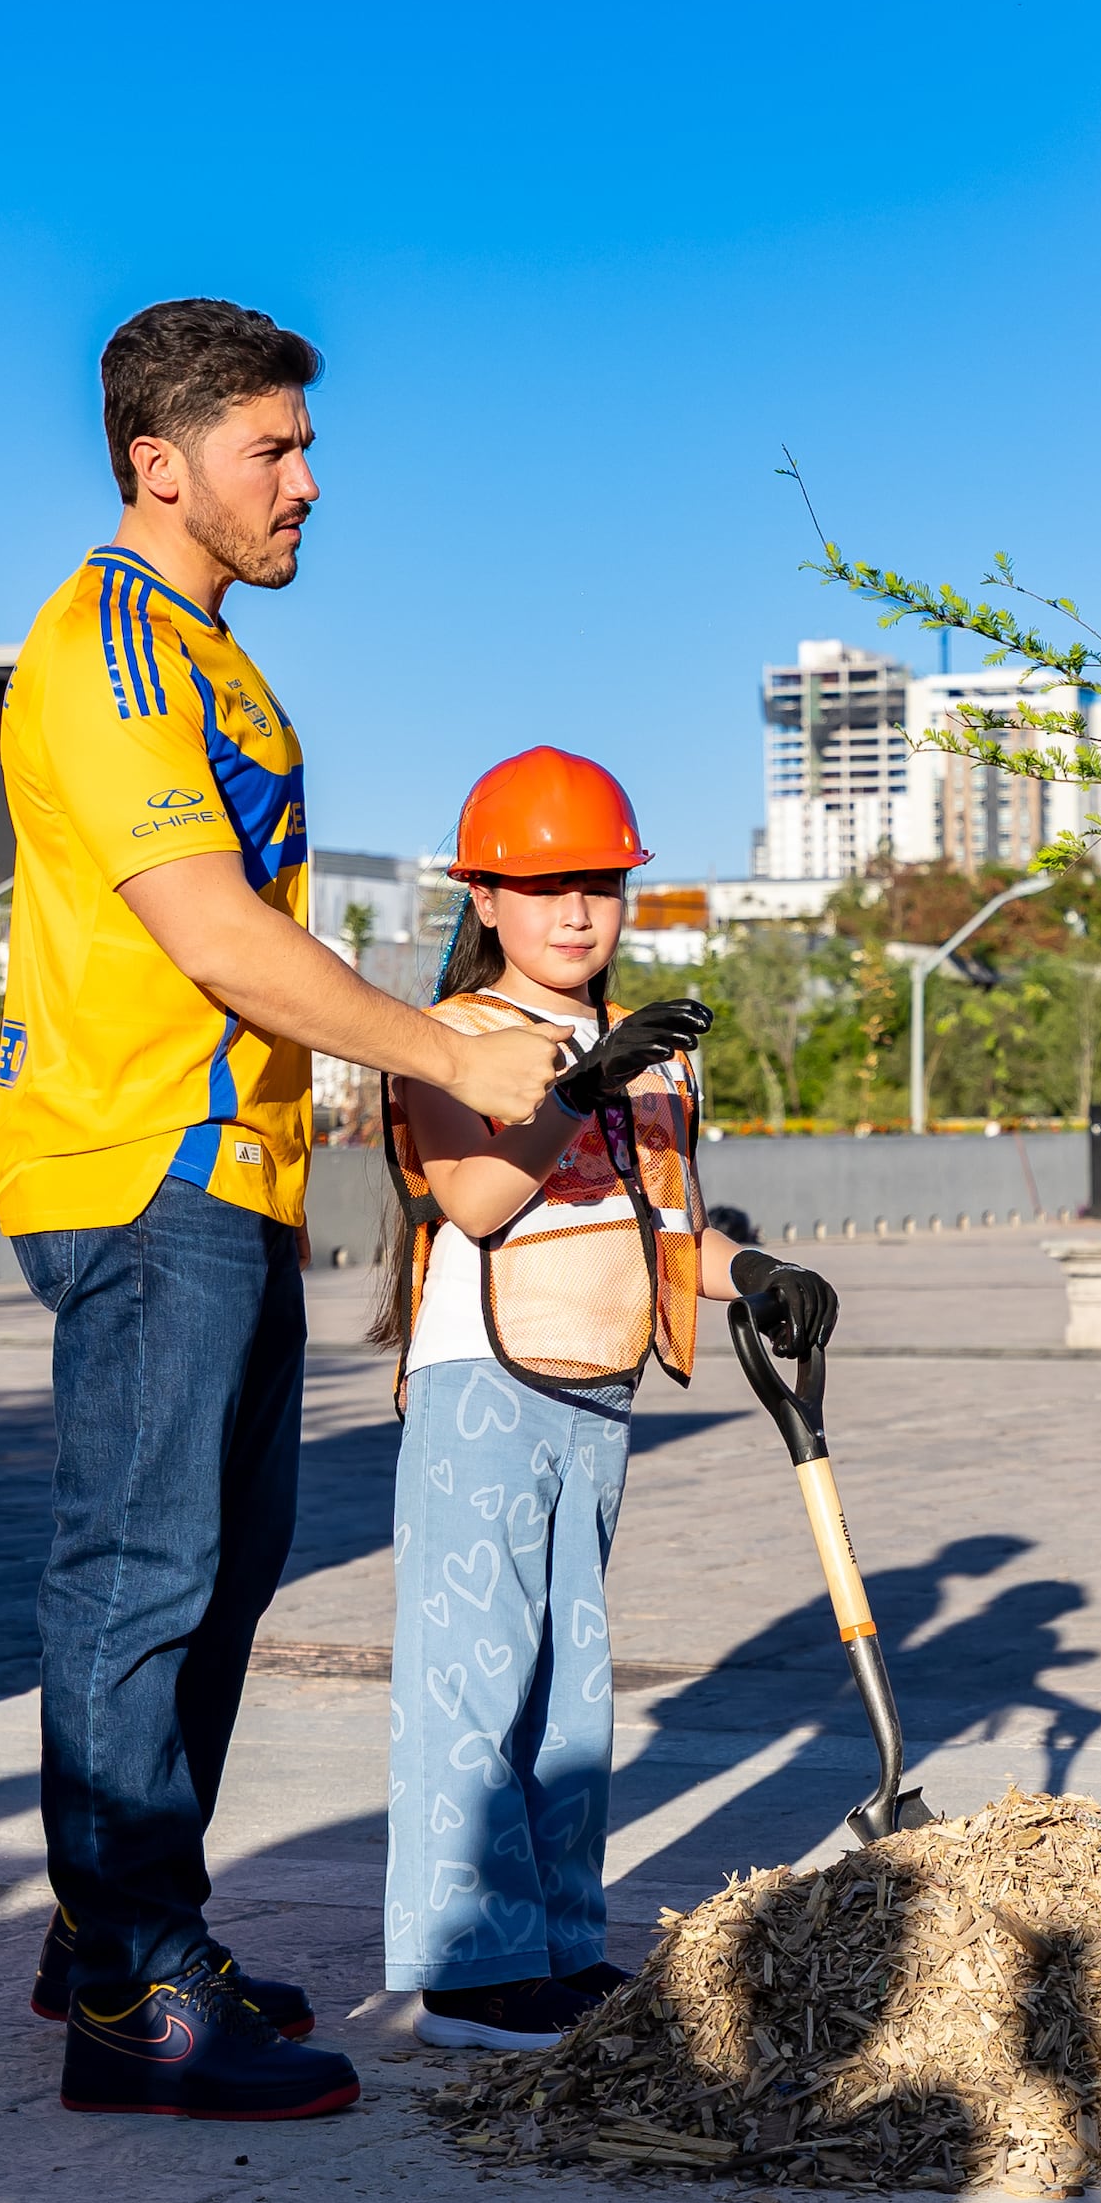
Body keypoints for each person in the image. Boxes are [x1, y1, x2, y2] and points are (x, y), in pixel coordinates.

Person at [0, 299, 580, 2125]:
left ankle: (118, 1925)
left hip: (227, 1174)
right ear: (159, 464)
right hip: (140, 1160)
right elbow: (211, 931)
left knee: (221, 1575)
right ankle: (133, 1995)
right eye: (274, 449)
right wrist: (447, 1053)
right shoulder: (110, 654)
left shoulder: (211, 655)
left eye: (306, 446)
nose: (309, 484)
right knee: (144, 1573)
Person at [373, 747, 825, 2052]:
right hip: (481, 1390)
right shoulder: (450, 1035)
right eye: (544, 885)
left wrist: (762, 1276)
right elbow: (474, 1198)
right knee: (477, 1674)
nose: (577, 912)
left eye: (600, 886)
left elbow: (670, 1225)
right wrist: (574, 1082)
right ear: (488, 899)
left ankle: (558, 1944)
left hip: (595, 1398)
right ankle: (464, 1965)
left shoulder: (647, 1056)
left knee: (570, 1683)